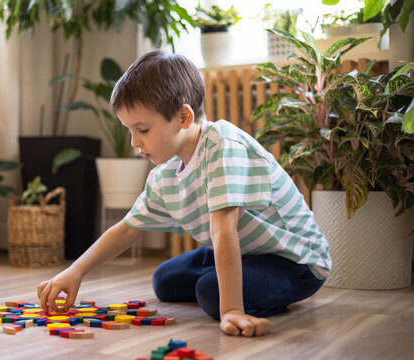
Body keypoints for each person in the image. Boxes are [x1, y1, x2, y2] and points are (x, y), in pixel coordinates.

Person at [37, 50, 332, 337]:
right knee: (164, 280)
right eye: (130, 130)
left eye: (142, 129)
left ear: (183, 117)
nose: (135, 143)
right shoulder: (164, 175)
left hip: (295, 260)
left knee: (210, 292)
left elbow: (223, 230)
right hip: (247, 251)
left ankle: (246, 294)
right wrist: (75, 271)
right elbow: (127, 229)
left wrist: (232, 309)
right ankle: (234, 279)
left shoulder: (222, 145)